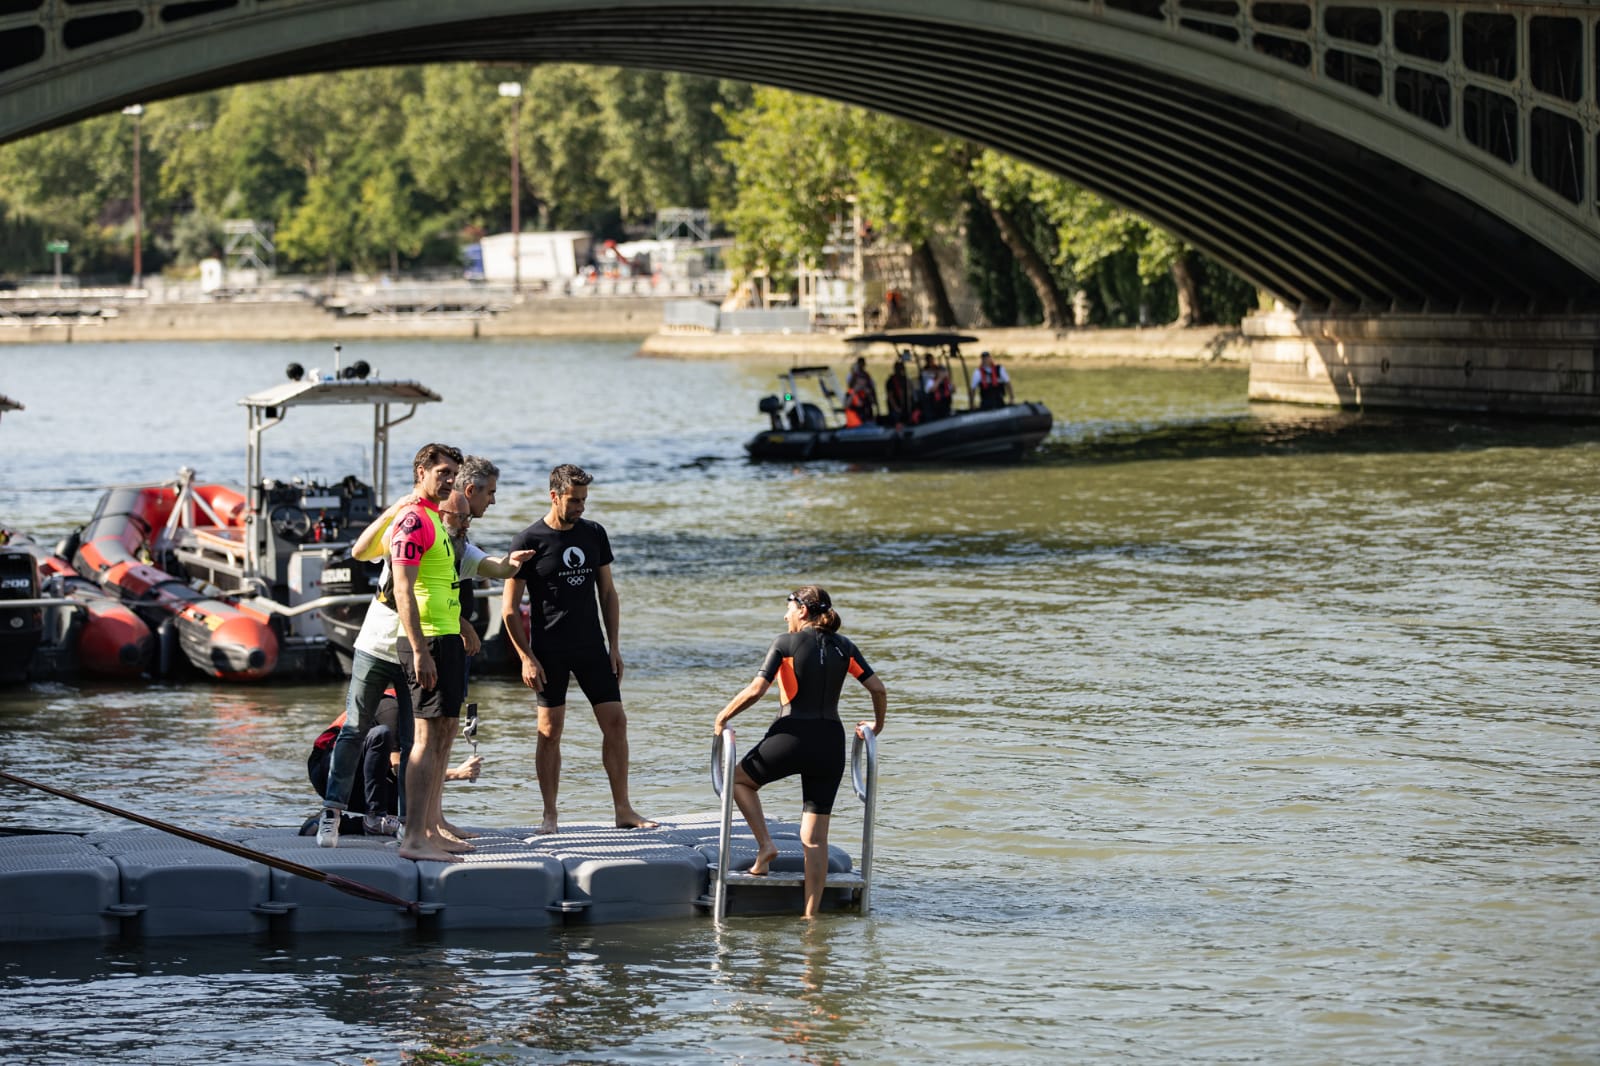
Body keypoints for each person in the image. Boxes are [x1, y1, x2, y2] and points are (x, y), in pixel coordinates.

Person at [714, 585, 887, 919]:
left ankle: (766, 847)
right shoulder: (845, 647)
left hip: (791, 735)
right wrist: (876, 727)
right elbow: (877, 688)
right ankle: (811, 917)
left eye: (788, 608)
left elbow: (756, 690)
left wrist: (723, 716)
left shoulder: (785, 643)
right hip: (830, 744)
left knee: (737, 780)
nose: (785, 615)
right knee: (815, 840)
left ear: (802, 611)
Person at [503, 464, 656, 835]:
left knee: (616, 722)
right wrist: (526, 657)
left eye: (584, 500)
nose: (581, 507)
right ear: (554, 496)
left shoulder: (593, 534)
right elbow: (509, 610)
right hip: (549, 649)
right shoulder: (529, 540)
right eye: (574, 500)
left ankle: (623, 809)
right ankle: (550, 816)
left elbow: (607, 592)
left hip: (591, 646)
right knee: (549, 731)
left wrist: (615, 646)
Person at [303, 692, 483, 838]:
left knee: (408, 810)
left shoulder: (410, 716)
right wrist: (456, 774)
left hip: (358, 772)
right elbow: (399, 769)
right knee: (381, 735)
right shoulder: (392, 707)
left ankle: (339, 824)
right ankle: (374, 817)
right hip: (328, 768)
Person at [843, 357, 876, 428]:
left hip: (867, 423)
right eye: (860, 381)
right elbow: (846, 406)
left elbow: (873, 402)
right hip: (855, 425)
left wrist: (869, 393)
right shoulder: (850, 392)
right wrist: (854, 392)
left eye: (863, 382)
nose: (862, 383)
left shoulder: (866, 392)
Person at [883, 359, 912, 425]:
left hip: (905, 407)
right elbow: (890, 396)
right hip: (896, 408)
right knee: (897, 420)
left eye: (901, 368)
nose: (901, 370)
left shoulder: (905, 379)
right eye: (899, 368)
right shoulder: (890, 381)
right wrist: (896, 408)